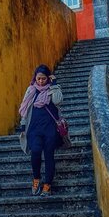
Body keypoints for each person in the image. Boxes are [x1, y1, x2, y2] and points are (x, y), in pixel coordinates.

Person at [19, 64, 63, 197]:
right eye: (38, 78)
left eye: (43, 79)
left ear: (48, 78)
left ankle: (48, 184)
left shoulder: (54, 89)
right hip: (34, 128)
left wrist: (54, 84)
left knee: (49, 155)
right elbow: (25, 108)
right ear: (35, 78)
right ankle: (36, 179)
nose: (40, 81)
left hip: (50, 128)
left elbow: (58, 101)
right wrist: (23, 124)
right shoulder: (31, 90)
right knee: (36, 151)